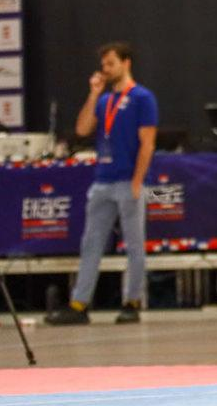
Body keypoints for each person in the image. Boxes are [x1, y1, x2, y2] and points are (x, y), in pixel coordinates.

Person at [47, 42, 158, 325]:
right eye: (103, 65)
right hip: (103, 180)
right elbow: (83, 129)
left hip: (128, 180)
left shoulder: (142, 98)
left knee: (134, 244)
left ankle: (132, 301)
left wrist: (138, 180)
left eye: (111, 64)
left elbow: (148, 143)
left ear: (126, 63)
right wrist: (93, 93)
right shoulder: (104, 100)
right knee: (91, 243)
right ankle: (79, 303)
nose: (106, 70)